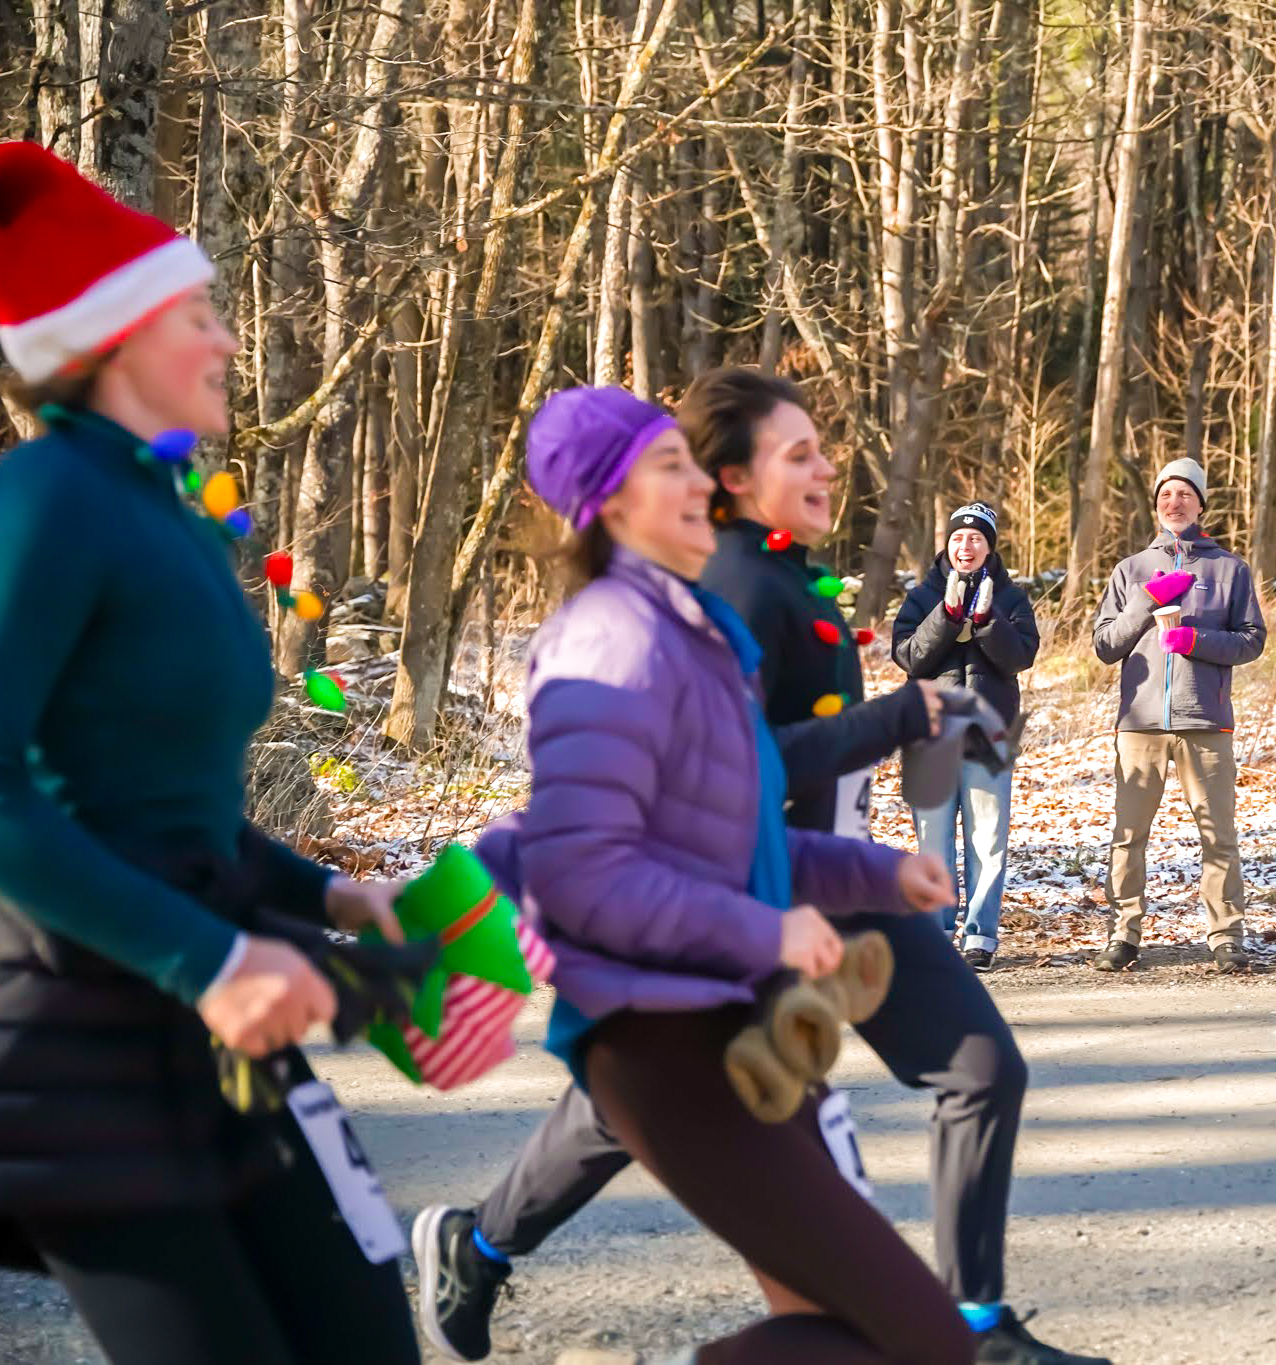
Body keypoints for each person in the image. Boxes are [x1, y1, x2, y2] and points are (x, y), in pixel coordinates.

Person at [415, 371, 1107, 1365]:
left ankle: (971, 1323)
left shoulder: (756, 590)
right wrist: (892, 722)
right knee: (672, 1136)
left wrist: (879, 863)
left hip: (807, 885)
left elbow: (736, 786)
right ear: (732, 479)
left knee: (958, 1086)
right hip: (742, 920)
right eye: (798, 454)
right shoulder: (705, 599)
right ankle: (481, 1245)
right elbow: (719, 787)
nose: (827, 465)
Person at [0, 142, 421, 1361]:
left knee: (369, 1336)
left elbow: (160, 803)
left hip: (224, 1025)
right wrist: (205, 959)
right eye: (199, 314)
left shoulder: (170, 518)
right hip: (78, 1053)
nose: (228, 342)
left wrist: (327, 890)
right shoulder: (44, 502)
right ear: (115, 337)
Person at [1090, 456, 1267, 974]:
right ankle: (1123, 934)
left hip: (1204, 722)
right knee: (1128, 835)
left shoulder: (1228, 569)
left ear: (1201, 503)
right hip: (1140, 725)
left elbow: (1251, 640)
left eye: (1185, 493)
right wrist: (1146, 606)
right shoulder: (1130, 570)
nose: (1175, 502)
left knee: (1218, 834)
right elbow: (1104, 645)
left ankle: (1226, 934)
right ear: (1156, 504)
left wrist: (1195, 641)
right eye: (1166, 494)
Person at [893, 502, 1042, 970]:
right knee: (932, 840)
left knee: (987, 841)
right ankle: (938, 930)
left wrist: (986, 621)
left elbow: (1021, 657)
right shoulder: (921, 597)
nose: (966, 546)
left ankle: (980, 936)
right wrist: (949, 614)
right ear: (947, 544)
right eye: (959, 538)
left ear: (989, 546)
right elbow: (910, 657)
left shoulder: (1012, 599)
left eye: (977, 538)